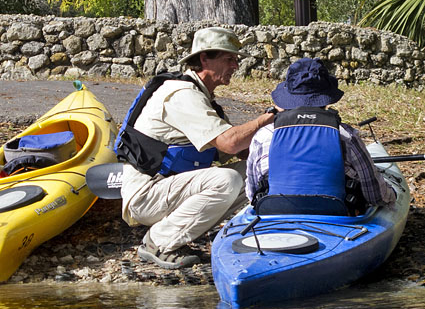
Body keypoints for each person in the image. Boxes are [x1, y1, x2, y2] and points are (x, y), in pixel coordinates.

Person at [119, 27, 276, 269]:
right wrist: (264, 120)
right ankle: (158, 241)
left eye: (236, 59)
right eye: (229, 59)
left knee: (260, 169)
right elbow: (230, 142)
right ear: (204, 58)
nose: (236, 66)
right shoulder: (181, 95)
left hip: (168, 188)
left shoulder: (202, 97)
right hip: (146, 194)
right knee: (227, 180)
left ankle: (203, 232)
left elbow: (234, 152)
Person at [246, 57, 396, 215]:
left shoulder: (264, 135)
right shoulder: (346, 135)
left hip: (275, 213)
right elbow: (375, 195)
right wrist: (393, 195)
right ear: (326, 99)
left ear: (287, 99)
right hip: (335, 216)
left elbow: (252, 193)